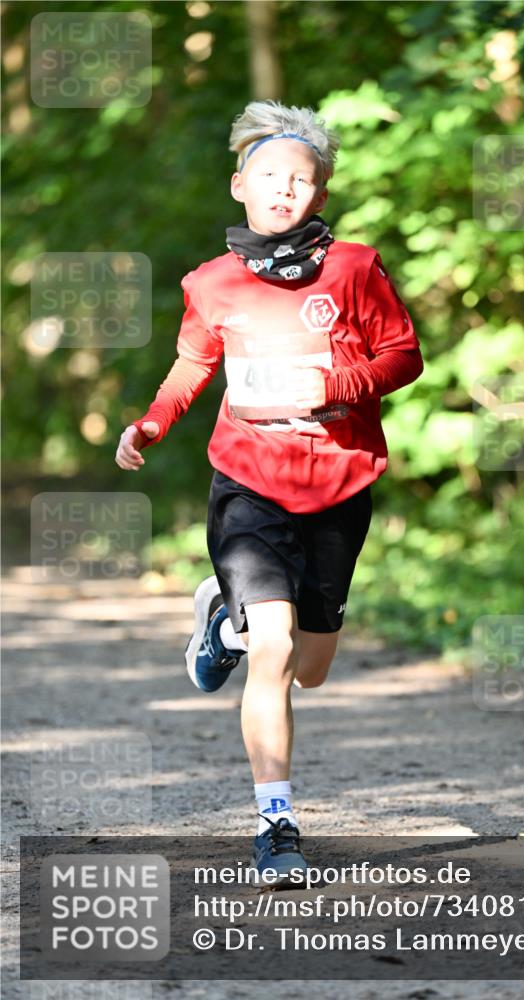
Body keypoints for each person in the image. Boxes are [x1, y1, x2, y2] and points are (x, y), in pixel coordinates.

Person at [115, 99, 423, 883]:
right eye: (269, 176)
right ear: (239, 185)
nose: (283, 189)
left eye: (300, 180)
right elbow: (192, 367)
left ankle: (220, 624)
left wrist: (335, 382)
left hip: (340, 483)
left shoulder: (353, 267)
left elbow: (402, 355)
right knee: (275, 647)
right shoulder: (211, 283)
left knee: (310, 666)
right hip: (248, 483)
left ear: (317, 197)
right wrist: (151, 424)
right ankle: (276, 823)